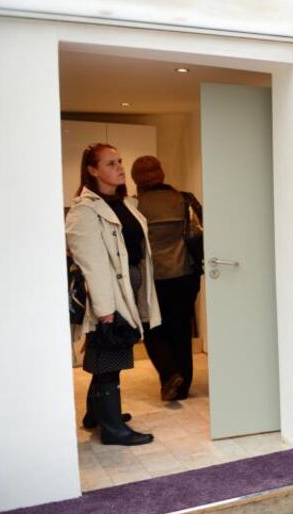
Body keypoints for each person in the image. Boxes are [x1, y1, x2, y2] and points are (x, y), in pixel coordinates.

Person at [66, 143, 161, 446]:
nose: (119, 167)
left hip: (126, 288)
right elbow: (93, 266)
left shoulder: (126, 203)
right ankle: (112, 429)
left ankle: (95, 415)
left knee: (103, 351)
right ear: (92, 170)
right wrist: (106, 309)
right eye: (110, 163)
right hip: (109, 293)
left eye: (119, 161)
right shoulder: (85, 211)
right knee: (111, 353)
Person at [131, 155, 203, 401]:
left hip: (152, 280)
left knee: (153, 329)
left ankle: (170, 374)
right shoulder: (185, 199)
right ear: (161, 174)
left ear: (136, 180)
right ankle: (181, 387)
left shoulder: (134, 205)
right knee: (181, 328)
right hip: (185, 275)